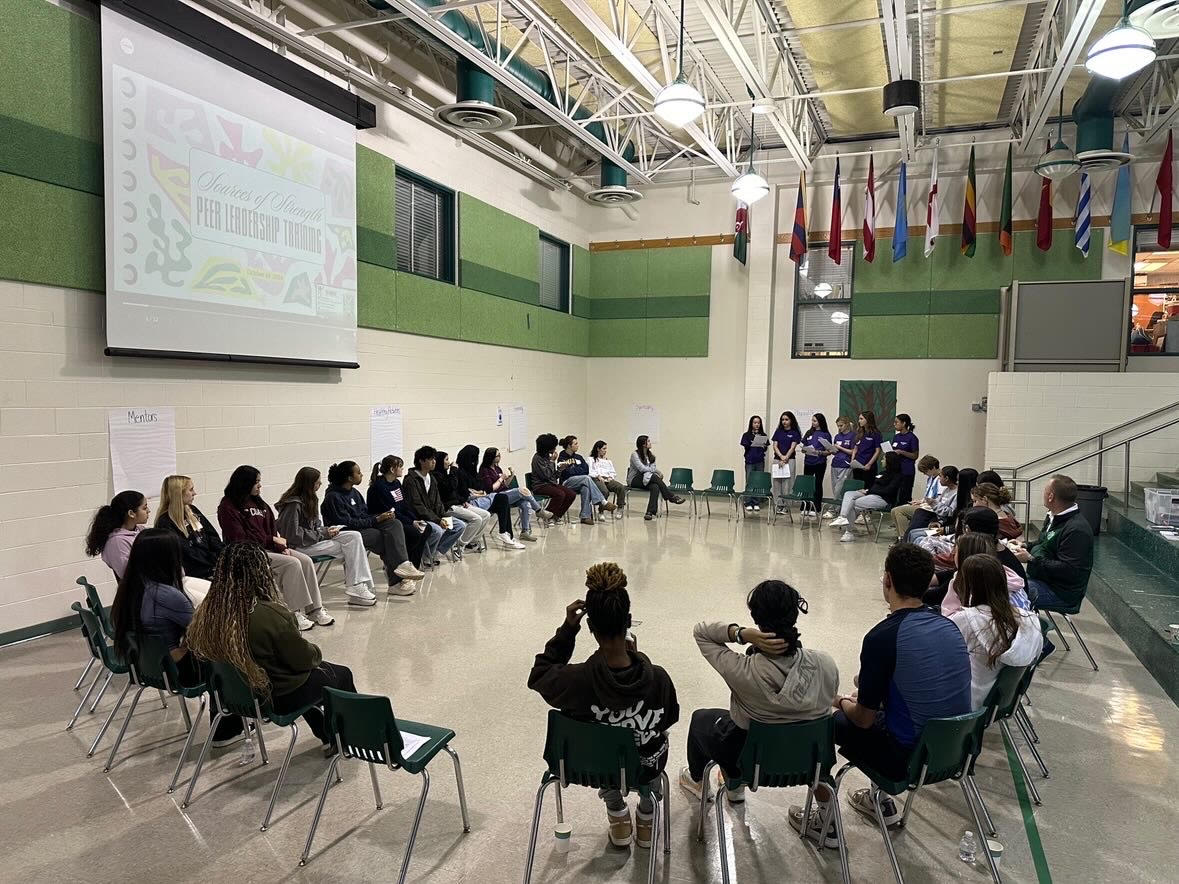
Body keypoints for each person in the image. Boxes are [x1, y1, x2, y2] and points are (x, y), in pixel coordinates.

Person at [527, 563, 679, 850]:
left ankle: (617, 814)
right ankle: (647, 814)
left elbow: (539, 674)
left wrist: (567, 629)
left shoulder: (575, 681)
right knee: (647, 747)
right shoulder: (658, 678)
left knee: (607, 747)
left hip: (591, 766)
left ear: (590, 626)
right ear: (629, 621)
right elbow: (668, 720)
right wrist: (641, 659)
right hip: (645, 768)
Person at [828, 543, 971, 827]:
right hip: (956, 749)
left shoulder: (882, 637)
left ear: (888, 580)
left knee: (833, 721)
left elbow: (863, 719)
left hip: (907, 758)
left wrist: (839, 701)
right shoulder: (949, 625)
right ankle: (874, 797)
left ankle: (828, 818)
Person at [680, 581, 839, 817]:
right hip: (809, 762)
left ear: (756, 618)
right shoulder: (825, 663)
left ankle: (709, 782)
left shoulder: (742, 670)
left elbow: (701, 632)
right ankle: (829, 821)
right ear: (795, 615)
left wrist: (741, 634)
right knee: (809, 736)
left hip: (749, 764)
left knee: (702, 719)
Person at [185, 542, 358, 750]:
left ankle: (325, 732)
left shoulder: (208, 612)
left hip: (235, 695)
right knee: (339, 674)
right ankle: (346, 738)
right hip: (273, 697)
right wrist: (315, 651)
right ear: (261, 572)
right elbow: (304, 660)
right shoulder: (269, 614)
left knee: (286, 673)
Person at [109, 529, 243, 744]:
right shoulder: (167, 595)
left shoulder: (129, 590)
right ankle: (225, 730)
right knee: (228, 653)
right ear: (165, 558)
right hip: (179, 671)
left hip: (149, 666)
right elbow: (203, 633)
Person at [216, 465, 331, 631]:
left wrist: (278, 546)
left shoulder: (260, 503)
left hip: (269, 549)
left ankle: (315, 609)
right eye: (256, 482)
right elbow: (238, 538)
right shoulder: (228, 506)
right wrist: (271, 540)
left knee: (305, 560)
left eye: (259, 481)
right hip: (247, 553)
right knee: (292, 564)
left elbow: (271, 529)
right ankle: (293, 613)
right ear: (244, 483)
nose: (259, 485)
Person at [1011, 475, 1094, 658]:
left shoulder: (1076, 529)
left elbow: (1069, 570)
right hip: (1043, 579)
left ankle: (1042, 645)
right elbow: (1044, 543)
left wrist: (1032, 559)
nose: (1043, 494)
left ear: (1051, 497)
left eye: (1045, 491)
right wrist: (1026, 546)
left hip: (1062, 591)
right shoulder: (1054, 517)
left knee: (1008, 596)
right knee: (1005, 586)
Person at [949, 554, 1044, 709]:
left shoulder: (963, 620)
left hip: (970, 703)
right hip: (1005, 700)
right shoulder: (1030, 619)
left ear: (969, 585)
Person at [276, 467, 378, 607]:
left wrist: (326, 530)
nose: (320, 485)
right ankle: (356, 585)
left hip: (313, 540)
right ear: (309, 483)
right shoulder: (293, 504)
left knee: (354, 536)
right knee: (350, 546)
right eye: (317, 482)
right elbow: (293, 534)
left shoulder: (310, 499)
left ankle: (356, 584)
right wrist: (323, 534)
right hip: (300, 547)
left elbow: (313, 527)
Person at [156, 475, 223, 599]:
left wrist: (221, 557)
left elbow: (212, 536)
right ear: (178, 494)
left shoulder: (192, 510)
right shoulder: (165, 523)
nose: (194, 493)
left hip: (212, 566)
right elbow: (187, 554)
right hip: (194, 574)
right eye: (191, 490)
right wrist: (213, 564)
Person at [939, 531, 1030, 616]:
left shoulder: (976, 586)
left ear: (966, 556)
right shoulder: (1005, 573)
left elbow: (953, 619)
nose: (952, 553)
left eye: (956, 551)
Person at [367, 455, 434, 565]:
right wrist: (411, 522)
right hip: (387, 520)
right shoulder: (379, 487)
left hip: (401, 518)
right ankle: (403, 563)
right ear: (392, 469)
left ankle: (413, 564)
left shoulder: (397, 483)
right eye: (400, 467)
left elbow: (404, 505)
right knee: (414, 533)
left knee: (426, 528)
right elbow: (390, 510)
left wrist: (414, 520)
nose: (402, 469)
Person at [402, 446, 464, 563]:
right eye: (430, 459)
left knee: (459, 526)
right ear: (421, 461)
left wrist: (443, 516)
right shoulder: (411, 480)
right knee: (437, 530)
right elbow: (417, 506)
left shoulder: (432, 478)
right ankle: (426, 555)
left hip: (434, 517)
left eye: (434, 459)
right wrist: (437, 520)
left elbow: (438, 502)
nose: (434, 462)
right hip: (418, 519)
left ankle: (435, 551)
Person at [456, 445, 526, 549]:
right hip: (471, 503)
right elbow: (470, 492)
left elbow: (481, 488)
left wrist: (479, 492)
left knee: (506, 501)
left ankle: (507, 534)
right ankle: (505, 533)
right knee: (508, 496)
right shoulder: (461, 472)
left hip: (483, 498)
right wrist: (479, 492)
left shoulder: (475, 471)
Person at [477, 446, 550, 542]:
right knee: (522, 490)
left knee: (525, 503)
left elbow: (505, 485)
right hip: (495, 497)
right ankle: (539, 510)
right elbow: (490, 488)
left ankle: (525, 531)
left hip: (504, 493)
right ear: (491, 457)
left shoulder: (497, 468)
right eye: (497, 455)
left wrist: (511, 475)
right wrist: (501, 478)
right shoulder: (484, 470)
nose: (500, 457)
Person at [830, 451, 904, 542]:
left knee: (852, 503)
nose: (881, 461)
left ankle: (848, 533)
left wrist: (868, 491)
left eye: (884, 459)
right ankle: (842, 517)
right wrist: (867, 491)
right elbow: (874, 486)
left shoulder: (897, 476)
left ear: (890, 461)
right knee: (849, 494)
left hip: (882, 499)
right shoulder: (882, 473)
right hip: (870, 494)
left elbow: (888, 491)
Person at [433, 450, 494, 552]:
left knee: (486, 515)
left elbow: (455, 492)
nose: (449, 462)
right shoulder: (436, 476)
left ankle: (472, 541)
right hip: (447, 508)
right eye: (446, 459)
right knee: (476, 519)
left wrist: (461, 501)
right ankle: (459, 547)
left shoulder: (447, 475)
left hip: (458, 504)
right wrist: (453, 471)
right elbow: (449, 488)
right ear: (440, 462)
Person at [85, 490, 149, 580]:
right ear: (131, 513)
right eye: (144, 508)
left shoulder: (141, 530)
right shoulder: (116, 542)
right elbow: (128, 575)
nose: (148, 511)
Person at [557, 435, 616, 524]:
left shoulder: (579, 457)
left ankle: (585, 516)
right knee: (586, 478)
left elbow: (586, 470)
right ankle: (603, 501)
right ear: (569, 446)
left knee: (586, 488)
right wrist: (578, 470)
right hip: (567, 483)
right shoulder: (562, 456)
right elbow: (567, 472)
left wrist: (574, 469)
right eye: (575, 444)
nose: (578, 445)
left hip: (579, 482)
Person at [627, 435, 685, 521]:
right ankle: (671, 497)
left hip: (647, 478)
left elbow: (652, 468)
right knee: (654, 476)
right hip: (634, 479)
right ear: (643, 444)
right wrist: (654, 471)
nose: (651, 443)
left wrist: (656, 471)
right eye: (649, 441)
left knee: (655, 486)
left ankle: (650, 512)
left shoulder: (651, 456)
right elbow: (641, 469)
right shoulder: (634, 455)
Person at [890, 456, 942, 538]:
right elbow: (928, 495)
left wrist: (923, 504)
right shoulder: (931, 478)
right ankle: (901, 536)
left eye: (926, 471)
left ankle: (905, 538)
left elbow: (938, 500)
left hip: (930, 509)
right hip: (925, 505)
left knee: (899, 511)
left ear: (933, 467)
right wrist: (921, 501)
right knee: (893, 511)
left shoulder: (941, 481)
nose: (924, 474)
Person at [531, 434, 578, 522]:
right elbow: (546, 476)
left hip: (550, 484)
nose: (555, 449)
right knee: (560, 494)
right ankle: (548, 516)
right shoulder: (537, 459)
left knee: (571, 494)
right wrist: (552, 461)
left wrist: (560, 469)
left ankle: (556, 515)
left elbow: (553, 477)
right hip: (540, 486)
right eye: (553, 447)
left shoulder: (547, 457)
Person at [800, 414, 833, 519]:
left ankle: (816, 507)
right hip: (808, 462)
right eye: (812, 421)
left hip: (819, 462)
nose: (813, 422)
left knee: (817, 484)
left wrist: (819, 452)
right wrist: (805, 450)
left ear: (820, 422)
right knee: (806, 485)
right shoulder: (809, 433)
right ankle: (805, 507)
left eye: (815, 421)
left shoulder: (826, 434)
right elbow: (802, 448)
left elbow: (830, 451)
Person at [823, 416, 857, 518]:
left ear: (847, 424)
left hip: (845, 465)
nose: (839, 428)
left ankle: (833, 510)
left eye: (841, 426)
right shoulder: (837, 436)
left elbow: (853, 451)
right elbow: (835, 451)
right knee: (835, 488)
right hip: (835, 464)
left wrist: (840, 448)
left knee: (839, 488)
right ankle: (838, 508)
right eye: (838, 426)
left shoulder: (853, 436)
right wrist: (831, 449)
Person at [770, 412, 802, 515]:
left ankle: (786, 506)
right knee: (776, 483)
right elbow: (775, 446)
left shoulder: (795, 432)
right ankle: (778, 505)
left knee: (787, 483)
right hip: (777, 460)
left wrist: (785, 458)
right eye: (783, 419)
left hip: (789, 460)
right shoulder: (778, 432)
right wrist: (781, 457)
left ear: (791, 420)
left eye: (786, 419)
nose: (784, 422)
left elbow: (792, 447)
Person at [588, 440, 627, 517]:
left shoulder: (608, 461)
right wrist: (598, 476)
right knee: (605, 491)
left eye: (606, 449)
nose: (605, 451)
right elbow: (589, 471)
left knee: (621, 487)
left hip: (607, 479)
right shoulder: (591, 459)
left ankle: (620, 508)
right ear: (598, 449)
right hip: (597, 479)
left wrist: (610, 477)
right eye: (603, 449)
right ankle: (601, 511)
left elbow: (613, 472)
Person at [739, 416, 770, 511]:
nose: (757, 424)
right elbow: (745, 445)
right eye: (755, 423)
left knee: (758, 482)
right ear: (751, 424)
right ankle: (748, 502)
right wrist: (752, 443)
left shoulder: (763, 435)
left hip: (760, 461)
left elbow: (766, 447)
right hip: (750, 461)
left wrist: (763, 445)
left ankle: (756, 502)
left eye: (758, 423)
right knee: (749, 481)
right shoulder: (746, 435)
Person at [890, 414, 920, 504]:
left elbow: (915, 456)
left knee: (904, 495)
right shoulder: (896, 437)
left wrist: (902, 452)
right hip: (896, 470)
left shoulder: (912, 438)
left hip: (907, 471)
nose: (894, 424)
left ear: (903, 423)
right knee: (893, 494)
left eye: (896, 422)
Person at [850, 411, 883, 491]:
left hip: (868, 467)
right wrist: (852, 460)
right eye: (859, 419)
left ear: (868, 420)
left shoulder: (876, 434)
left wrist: (869, 464)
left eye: (861, 419)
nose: (859, 421)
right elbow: (855, 448)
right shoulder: (860, 433)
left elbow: (877, 451)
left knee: (867, 488)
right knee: (857, 488)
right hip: (857, 465)